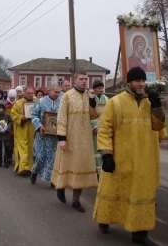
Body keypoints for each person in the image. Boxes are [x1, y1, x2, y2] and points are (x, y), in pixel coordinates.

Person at [93, 67, 167, 246]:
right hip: (122, 158)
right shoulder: (116, 103)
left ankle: (140, 234)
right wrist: (107, 155)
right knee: (115, 191)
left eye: (143, 81)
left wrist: (157, 107)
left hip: (145, 160)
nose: (141, 84)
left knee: (142, 195)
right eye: (137, 81)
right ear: (129, 83)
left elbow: (159, 128)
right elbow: (104, 130)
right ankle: (105, 219)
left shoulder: (150, 103)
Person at [50, 70, 99, 212]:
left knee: (80, 168)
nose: (84, 81)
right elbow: (61, 118)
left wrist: (91, 100)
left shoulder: (89, 95)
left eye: (86, 79)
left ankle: (76, 200)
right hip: (70, 138)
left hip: (84, 140)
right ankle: (61, 187)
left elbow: (94, 115)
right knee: (66, 165)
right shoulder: (67, 96)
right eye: (81, 79)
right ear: (75, 80)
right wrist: (61, 139)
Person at [30, 83, 61, 185]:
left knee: (54, 159)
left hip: (55, 137)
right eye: (55, 92)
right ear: (50, 90)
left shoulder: (62, 102)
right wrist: (39, 126)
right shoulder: (41, 101)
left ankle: (53, 180)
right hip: (42, 135)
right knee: (40, 157)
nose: (57, 94)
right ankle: (34, 172)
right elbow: (34, 115)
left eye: (58, 92)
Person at [10, 87, 37, 176]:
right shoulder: (18, 103)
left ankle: (30, 167)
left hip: (32, 128)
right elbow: (13, 114)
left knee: (31, 147)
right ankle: (23, 167)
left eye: (32, 93)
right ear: (24, 94)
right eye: (28, 93)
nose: (30, 95)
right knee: (22, 148)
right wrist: (20, 117)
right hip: (22, 129)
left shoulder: (37, 102)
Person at [90, 80, 109, 177]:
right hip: (94, 128)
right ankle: (95, 171)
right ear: (94, 89)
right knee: (94, 148)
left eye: (102, 88)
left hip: (104, 127)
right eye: (99, 88)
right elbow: (90, 113)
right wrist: (94, 126)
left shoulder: (106, 99)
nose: (101, 90)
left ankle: (102, 170)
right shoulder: (91, 98)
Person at [4, 89, 17, 165]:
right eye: (11, 97)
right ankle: (8, 157)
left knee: (14, 144)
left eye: (13, 97)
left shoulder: (17, 104)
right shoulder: (5, 104)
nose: (12, 99)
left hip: (16, 127)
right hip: (8, 127)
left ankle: (12, 157)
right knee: (8, 144)